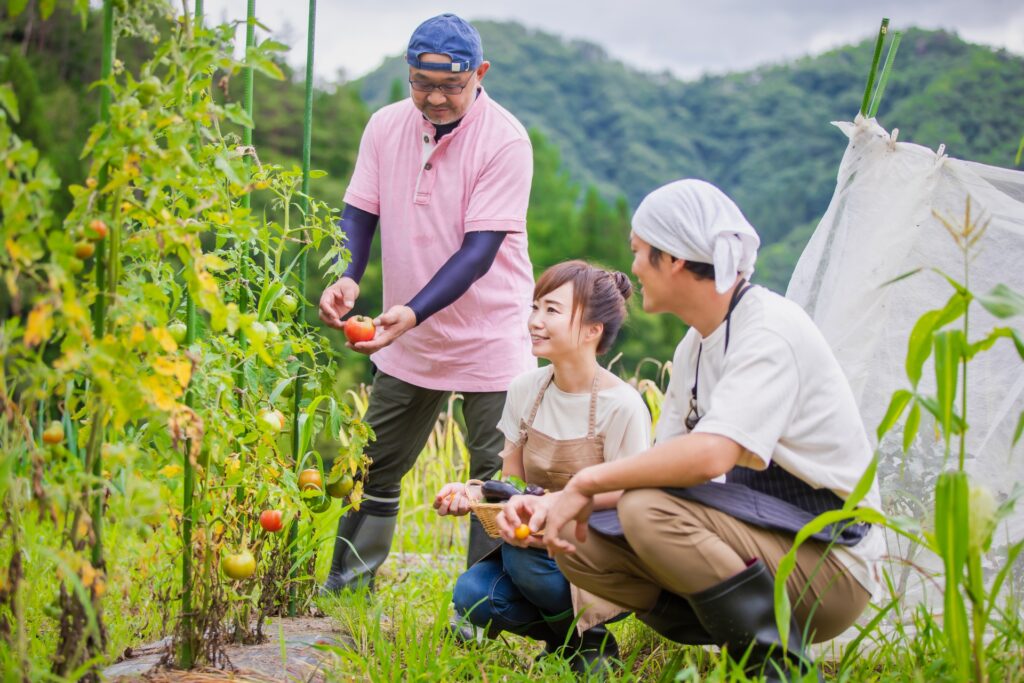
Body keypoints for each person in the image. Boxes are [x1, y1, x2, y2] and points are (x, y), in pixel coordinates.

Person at [497, 179, 884, 681]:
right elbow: (664, 465)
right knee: (576, 539)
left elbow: (710, 457)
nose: (632, 268)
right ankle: (724, 630)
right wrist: (554, 504)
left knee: (644, 509)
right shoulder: (696, 346)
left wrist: (584, 484)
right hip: (763, 538)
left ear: (674, 259)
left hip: (831, 560)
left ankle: (773, 668)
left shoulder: (768, 331)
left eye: (639, 253)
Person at [317, 13, 535, 594]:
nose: (434, 98)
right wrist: (348, 275)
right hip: (406, 333)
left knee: (495, 480)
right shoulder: (386, 125)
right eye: (422, 83)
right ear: (408, 74)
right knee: (375, 462)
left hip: (490, 335)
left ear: (480, 74)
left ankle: (484, 612)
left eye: (450, 86)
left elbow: (479, 251)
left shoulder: (506, 140)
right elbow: (360, 210)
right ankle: (347, 590)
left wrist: (410, 310)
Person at [434, 261, 651, 674]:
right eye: (535, 308)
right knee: (473, 594)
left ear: (592, 330)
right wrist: (475, 492)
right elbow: (513, 483)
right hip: (534, 541)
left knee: (521, 559)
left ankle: (584, 637)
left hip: (600, 556)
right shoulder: (525, 389)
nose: (535, 321)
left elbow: (632, 501)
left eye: (551, 310)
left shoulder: (622, 406)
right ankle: (578, 642)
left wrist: (559, 507)